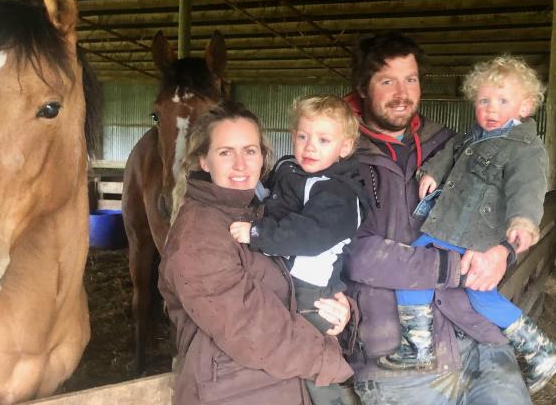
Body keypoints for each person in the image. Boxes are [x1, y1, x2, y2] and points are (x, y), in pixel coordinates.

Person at [343, 32, 534, 404]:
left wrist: (503, 253)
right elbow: (357, 255)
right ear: (362, 88)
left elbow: (501, 206)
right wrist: (453, 267)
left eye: (410, 79)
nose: (402, 92)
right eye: (387, 81)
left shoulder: (452, 145)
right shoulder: (342, 154)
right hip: (395, 355)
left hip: (479, 337)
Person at [381, 55, 556, 394]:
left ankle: (418, 349)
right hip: (450, 227)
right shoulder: (473, 137)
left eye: (502, 101)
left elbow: (527, 187)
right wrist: (432, 173)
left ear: (525, 106)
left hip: (469, 233)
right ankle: (541, 352)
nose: (490, 109)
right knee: (480, 297)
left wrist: (523, 221)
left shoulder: (525, 148)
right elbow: (450, 152)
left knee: (411, 269)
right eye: (483, 100)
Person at [158, 100, 353, 405]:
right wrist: (330, 360)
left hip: (279, 386)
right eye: (226, 152)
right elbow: (251, 329)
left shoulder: (261, 213)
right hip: (231, 392)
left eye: (250, 151)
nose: (240, 165)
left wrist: (337, 306)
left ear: (263, 157)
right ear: (204, 161)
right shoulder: (198, 237)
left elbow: (292, 280)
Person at [230, 94, 368, 405]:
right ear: (292, 136)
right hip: (283, 280)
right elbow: (270, 197)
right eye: (303, 136)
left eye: (323, 139)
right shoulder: (290, 169)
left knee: (313, 361)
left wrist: (257, 233)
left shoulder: (339, 192)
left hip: (311, 292)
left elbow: (309, 236)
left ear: (344, 147)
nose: (309, 146)